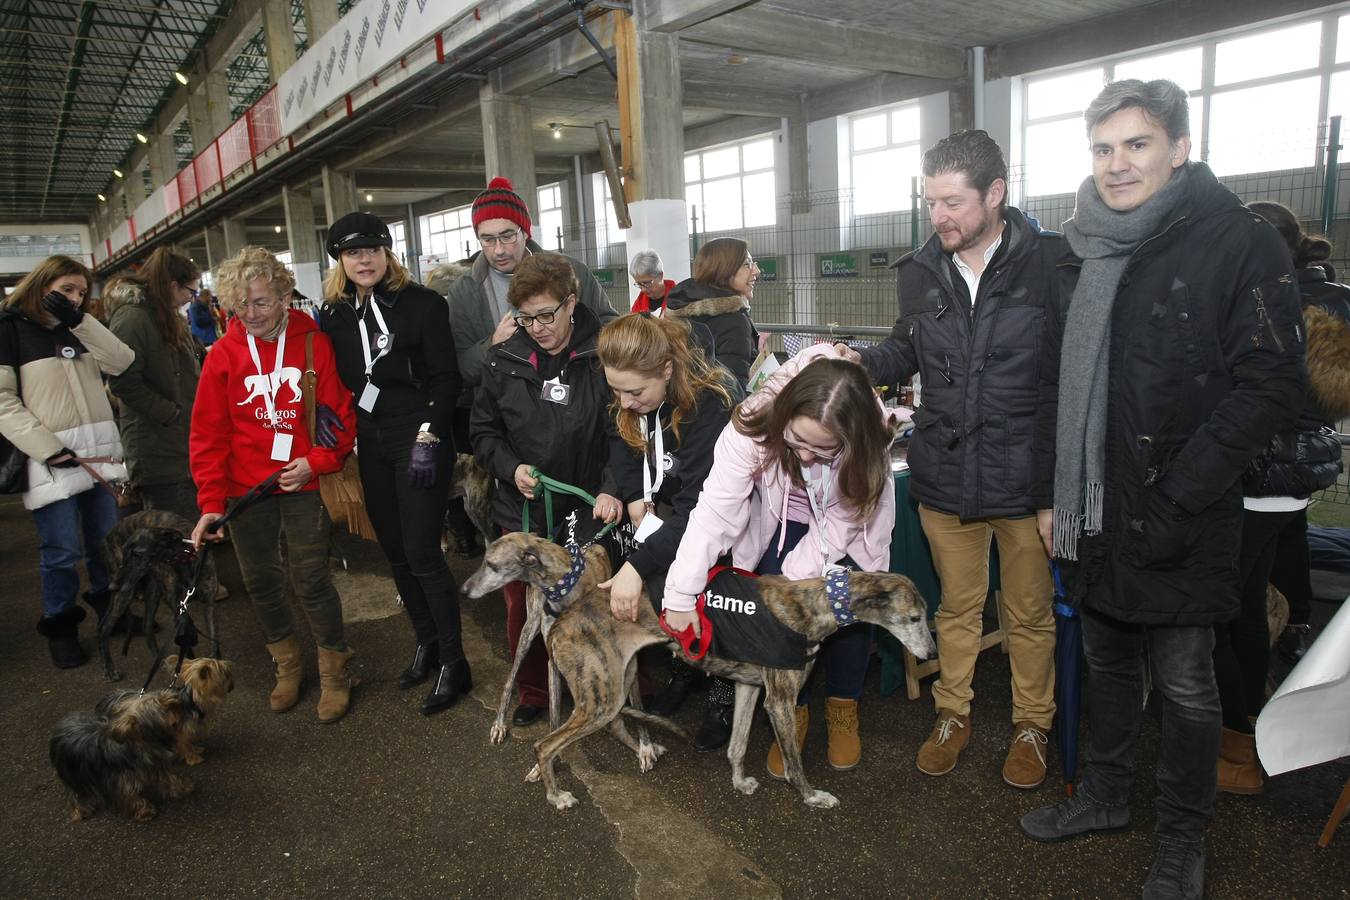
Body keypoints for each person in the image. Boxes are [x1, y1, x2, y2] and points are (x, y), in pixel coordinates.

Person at [1021, 80, 1306, 899]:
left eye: (1137, 144)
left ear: (1180, 147)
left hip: (1183, 508)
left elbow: (1270, 386)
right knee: (1107, 660)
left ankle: (1185, 835)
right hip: (1090, 505)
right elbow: (1052, 383)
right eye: (1104, 148)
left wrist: (1179, 495)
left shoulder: (1237, 240)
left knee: (1184, 681)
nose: (1118, 164)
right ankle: (1107, 795)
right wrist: (1050, 496)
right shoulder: (1077, 246)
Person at [836, 130, 1061, 789]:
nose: (939, 217)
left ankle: (1031, 726)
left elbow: (1062, 382)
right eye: (931, 201)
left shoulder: (1051, 265)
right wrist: (861, 362)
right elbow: (906, 348)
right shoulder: (920, 269)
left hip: (1024, 479)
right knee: (957, 608)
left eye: (953, 202)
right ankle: (952, 714)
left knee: (1027, 612)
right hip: (946, 473)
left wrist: (1053, 487)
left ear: (996, 194)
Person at [662, 345, 899, 773]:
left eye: (823, 450)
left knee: (847, 616)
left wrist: (789, 585)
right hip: (781, 517)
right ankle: (795, 707)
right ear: (783, 413)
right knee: (777, 625)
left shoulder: (866, 433)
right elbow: (714, 511)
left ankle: (844, 704)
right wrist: (681, 594)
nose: (806, 456)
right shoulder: (752, 422)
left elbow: (838, 530)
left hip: (848, 526)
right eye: (797, 441)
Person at [1208, 201, 1350, 795]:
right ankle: (1258, 713)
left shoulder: (1270, 301)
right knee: (1248, 604)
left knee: (1221, 615)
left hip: (1254, 480)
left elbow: (1250, 399)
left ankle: (1236, 742)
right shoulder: (1332, 299)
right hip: (1295, 485)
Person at [190, 247, 358, 723]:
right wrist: (210, 502)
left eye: (261, 302)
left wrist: (316, 461)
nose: (250, 314)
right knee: (261, 581)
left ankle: (334, 669)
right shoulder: (223, 354)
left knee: (310, 578)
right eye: (240, 306)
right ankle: (287, 666)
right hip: (247, 492)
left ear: (285, 295)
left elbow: (340, 416)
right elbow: (207, 435)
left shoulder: (313, 343)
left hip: (305, 481)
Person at [318, 212, 472, 715]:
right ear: (340, 260)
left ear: (388, 254)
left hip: (418, 431)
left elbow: (447, 379)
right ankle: (427, 642)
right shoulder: (335, 313)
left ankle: (456, 661)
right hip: (371, 437)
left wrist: (430, 436)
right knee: (396, 553)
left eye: (372, 249)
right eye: (352, 252)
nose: (364, 259)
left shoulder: (423, 304)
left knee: (424, 551)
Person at [471, 251, 623, 727]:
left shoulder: (605, 354)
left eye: (546, 314)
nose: (536, 327)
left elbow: (625, 429)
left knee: (598, 596)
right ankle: (535, 689)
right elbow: (483, 432)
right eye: (525, 317)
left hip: (589, 506)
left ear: (572, 302)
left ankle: (615, 684)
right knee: (523, 603)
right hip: (523, 509)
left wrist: (612, 487)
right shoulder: (503, 360)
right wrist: (511, 467)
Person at [597, 313, 740, 717]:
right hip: (670, 508)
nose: (625, 401)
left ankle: (723, 693)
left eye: (634, 391)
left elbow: (702, 513)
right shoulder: (633, 391)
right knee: (673, 594)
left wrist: (636, 566)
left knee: (713, 597)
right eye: (616, 390)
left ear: (666, 368)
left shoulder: (710, 403)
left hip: (717, 521)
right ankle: (686, 668)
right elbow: (619, 436)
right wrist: (633, 496)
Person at [0, 256, 134, 668]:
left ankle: (114, 612)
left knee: (105, 543)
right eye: (66, 291)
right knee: (60, 549)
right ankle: (60, 627)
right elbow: (3, 400)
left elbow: (122, 361)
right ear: (42, 286)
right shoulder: (10, 329)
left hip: (100, 456)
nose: (74, 298)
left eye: (80, 292)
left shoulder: (80, 328)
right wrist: (45, 447)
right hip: (52, 459)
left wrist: (81, 321)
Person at [447, 177, 616, 396]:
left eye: (507, 236)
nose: (498, 250)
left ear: (525, 232)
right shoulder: (464, 292)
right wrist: (493, 344)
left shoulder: (573, 271)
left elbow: (610, 329)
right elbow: (460, 369)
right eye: (487, 239)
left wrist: (573, 347)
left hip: (578, 399)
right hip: (507, 409)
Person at [105, 247, 202, 523]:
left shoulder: (167, 316)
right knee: (173, 534)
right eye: (189, 292)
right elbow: (123, 383)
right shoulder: (133, 318)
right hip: (158, 449)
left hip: (179, 443)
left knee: (187, 531)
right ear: (172, 286)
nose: (190, 299)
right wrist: (171, 413)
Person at [663, 238, 760, 389]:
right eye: (747, 264)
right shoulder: (734, 321)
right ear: (723, 270)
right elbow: (732, 390)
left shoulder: (683, 308)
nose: (756, 271)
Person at [629, 249, 675, 315]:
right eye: (639, 284)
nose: (643, 289)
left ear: (660, 275)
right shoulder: (639, 305)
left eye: (647, 283)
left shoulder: (679, 300)